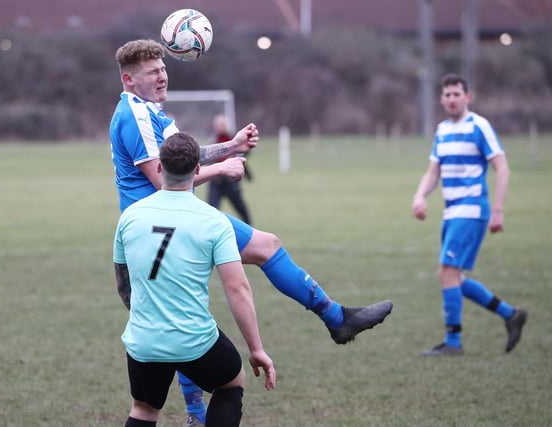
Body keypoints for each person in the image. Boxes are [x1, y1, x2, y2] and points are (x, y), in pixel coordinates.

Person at [110, 39, 392, 426]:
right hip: (166, 217)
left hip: (165, 220)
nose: (162, 76)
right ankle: (335, 318)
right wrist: (223, 168)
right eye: (151, 72)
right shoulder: (136, 116)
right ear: (129, 79)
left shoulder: (149, 111)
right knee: (261, 252)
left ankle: (197, 414)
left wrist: (230, 146)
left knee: (182, 314)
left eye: (162, 68)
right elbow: (164, 176)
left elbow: (183, 157)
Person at [114, 132, 276, 427]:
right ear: (199, 169)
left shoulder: (130, 217)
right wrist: (256, 349)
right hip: (195, 341)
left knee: (144, 410)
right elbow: (237, 288)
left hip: (144, 339)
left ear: (160, 168)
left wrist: (150, 320)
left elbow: (123, 284)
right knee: (231, 382)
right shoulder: (214, 220)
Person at [412, 73, 527, 356]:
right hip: (452, 212)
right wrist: (419, 196)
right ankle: (511, 314)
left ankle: (453, 343)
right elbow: (433, 171)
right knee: (455, 278)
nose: (452, 99)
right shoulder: (441, 131)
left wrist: (498, 210)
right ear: (441, 99)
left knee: (446, 272)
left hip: (472, 208)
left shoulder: (480, 127)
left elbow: (503, 168)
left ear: (468, 97)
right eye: (447, 95)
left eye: (457, 94)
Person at [207, 114, 253, 225]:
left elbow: (243, 155)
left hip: (230, 182)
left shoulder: (233, 140)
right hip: (216, 182)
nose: (221, 127)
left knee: (241, 208)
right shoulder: (213, 141)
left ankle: (250, 229)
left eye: (223, 125)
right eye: (218, 125)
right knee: (211, 210)